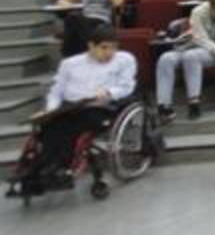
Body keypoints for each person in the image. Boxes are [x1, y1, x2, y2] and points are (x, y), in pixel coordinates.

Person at [15, 25, 136, 197]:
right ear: (91, 46)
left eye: (113, 48)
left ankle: (59, 168)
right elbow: (56, 92)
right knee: (49, 127)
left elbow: (127, 86)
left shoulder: (124, 60)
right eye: (104, 48)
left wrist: (109, 92)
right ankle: (36, 171)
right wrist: (49, 111)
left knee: (72, 129)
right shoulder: (70, 64)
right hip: (70, 107)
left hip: (101, 108)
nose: (109, 52)